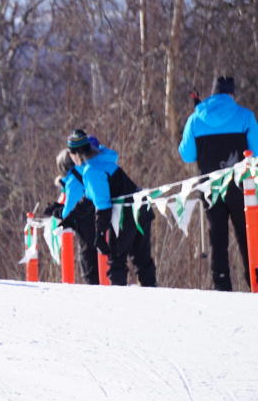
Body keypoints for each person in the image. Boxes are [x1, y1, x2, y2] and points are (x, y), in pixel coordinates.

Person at [178, 76, 258, 290]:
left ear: (212, 93)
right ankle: (255, 282)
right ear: (232, 94)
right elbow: (256, 152)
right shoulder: (245, 116)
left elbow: (187, 155)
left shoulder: (195, 119)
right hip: (243, 188)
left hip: (210, 188)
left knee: (218, 237)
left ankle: (222, 286)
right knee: (247, 236)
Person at [66, 129, 157, 286]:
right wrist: (69, 216)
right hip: (141, 208)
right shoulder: (103, 160)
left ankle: (117, 302)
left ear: (75, 154)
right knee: (142, 260)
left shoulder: (91, 170)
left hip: (125, 215)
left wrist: (100, 233)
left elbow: (103, 206)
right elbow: (89, 199)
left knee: (116, 261)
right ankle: (152, 294)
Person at [43, 147, 99, 284]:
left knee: (90, 268)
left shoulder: (74, 180)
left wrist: (55, 210)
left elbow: (68, 211)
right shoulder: (87, 172)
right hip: (98, 222)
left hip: (87, 227)